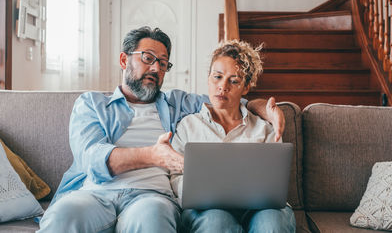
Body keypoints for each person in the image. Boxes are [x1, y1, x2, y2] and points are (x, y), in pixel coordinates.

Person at [37, 27, 285, 233]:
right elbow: (91, 159)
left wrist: (266, 108)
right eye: (147, 58)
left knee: (153, 219)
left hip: (151, 196)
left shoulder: (177, 103)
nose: (156, 68)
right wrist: (153, 156)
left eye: (163, 63)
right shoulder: (92, 104)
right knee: (61, 217)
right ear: (124, 60)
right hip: (94, 193)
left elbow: (228, 99)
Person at [170, 40, 296, 233]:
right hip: (207, 210)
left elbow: (274, 181)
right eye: (217, 77)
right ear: (208, 78)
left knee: (271, 224)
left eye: (234, 80)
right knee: (216, 224)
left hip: (260, 209)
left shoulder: (265, 129)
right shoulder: (188, 125)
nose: (223, 86)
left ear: (246, 87)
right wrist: (197, 191)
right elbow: (175, 175)